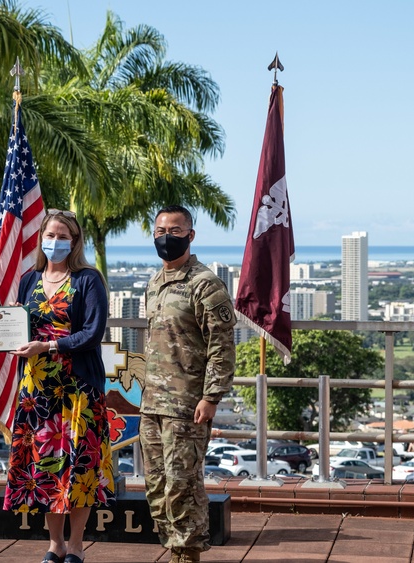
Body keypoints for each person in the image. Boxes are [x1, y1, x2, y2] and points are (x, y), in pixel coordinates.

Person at [3, 209, 114, 563]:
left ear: (75, 241)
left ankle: (77, 544)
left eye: (63, 236)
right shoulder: (29, 279)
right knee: (46, 467)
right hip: (38, 392)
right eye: (50, 235)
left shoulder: (87, 279)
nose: (55, 242)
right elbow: (18, 324)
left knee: (79, 467)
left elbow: (92, 333)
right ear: (40, 239)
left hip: (78, 390)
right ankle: (55, 544)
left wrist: (49, 346)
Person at [140, 205, 236, 563]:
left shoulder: (205, 284)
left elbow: (222, 347)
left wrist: (211, 396)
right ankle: (173, 548)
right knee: (156, 486)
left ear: (191, 235)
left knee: (183, 485)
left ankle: (188, 555)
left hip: (186, 404)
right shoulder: (155, 282)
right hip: (152, 405)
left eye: (176, 230)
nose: (167, 237)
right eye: (161, 231)